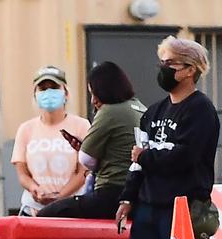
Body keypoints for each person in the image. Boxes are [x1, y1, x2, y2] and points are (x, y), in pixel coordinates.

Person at [115, 36, 220, 239]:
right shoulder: (154, 112)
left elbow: (185, 157)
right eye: (162, 62)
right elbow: (138, 159)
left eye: (170, 63)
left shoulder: (201, 110)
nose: (163, 69)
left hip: (182, 206)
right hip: (148, 205)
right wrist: (127, 197)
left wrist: (147, 157)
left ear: (190, 70)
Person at [37, 61, 146, 219]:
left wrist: (86, 150)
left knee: (46, 214)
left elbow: (86, 159)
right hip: (139, 192)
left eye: (94, 93)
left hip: (112, 192)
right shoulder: (141, 108)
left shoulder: (109, 111)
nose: (93, 100)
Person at [11, 65, 89, 216]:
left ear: (65, 92)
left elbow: (83, 171)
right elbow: (22, 173)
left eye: (54, 87)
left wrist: (60, 197)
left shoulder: (81, 126)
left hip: (71, 207)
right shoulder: (26, 129)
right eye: (43, 89)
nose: (48, 93)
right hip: (33, 207)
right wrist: (35, 189)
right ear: (35, 94)